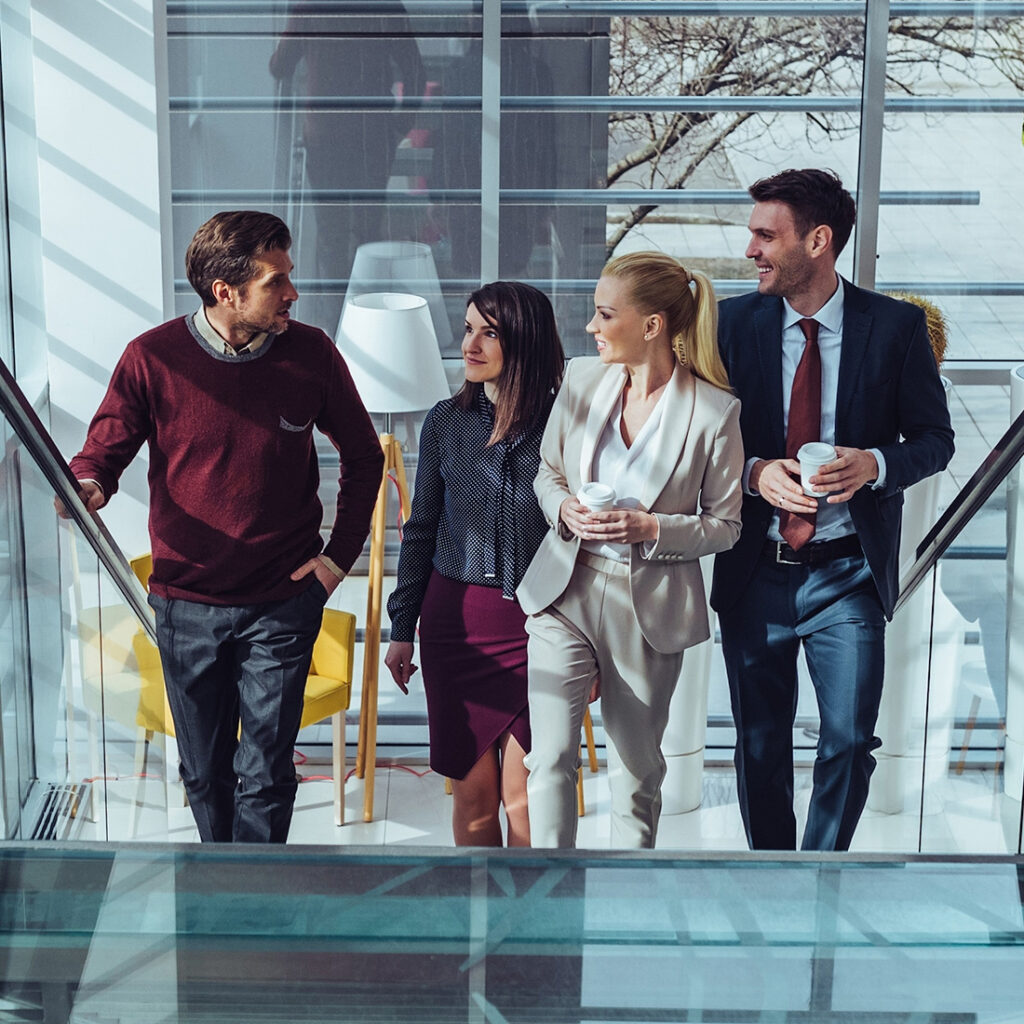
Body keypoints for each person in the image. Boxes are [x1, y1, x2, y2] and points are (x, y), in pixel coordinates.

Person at [62, 210, 384, 843]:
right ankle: (218, 887)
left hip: (282, 603)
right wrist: (89, 486)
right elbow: (103, 451)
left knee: (266, 773)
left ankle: (254, 906)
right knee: (205, 772)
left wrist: (336, 561)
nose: (293, 292)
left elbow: (365, 455)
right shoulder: (153, 358)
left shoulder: (312, 353)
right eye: (276, 281)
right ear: (226, 291)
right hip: (187, 605)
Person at [711, 168, 955, 851]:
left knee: (849, 740)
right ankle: (771, 876)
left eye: (766, 235)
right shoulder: (729, 324)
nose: (751, 250)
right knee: (759, 745)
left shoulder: (895, 328)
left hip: (846, 572)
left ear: (817, 241)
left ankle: (819, 880)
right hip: (756, 569)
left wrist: (875, 464)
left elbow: (936, 441)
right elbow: (698, 445)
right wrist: (757, 473)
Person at [517, 251, 744, 849]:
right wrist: (561, 507)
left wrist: (651, 530)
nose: (591, 327)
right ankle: (552, 901)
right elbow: (546, 472)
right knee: (551, 758)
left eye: (604, 314)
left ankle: (625, 895)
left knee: (637, 774)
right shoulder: (580, 378)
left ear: (652, 326)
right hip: (565, 587)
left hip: (646, 607)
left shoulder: (714, 414)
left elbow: (725, 526)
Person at [384, 281, 565, 846]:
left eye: (490, 333)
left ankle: (536, 932)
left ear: (525, 343)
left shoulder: (563, 425)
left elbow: (589, 546)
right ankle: (479, 931)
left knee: (528, 803)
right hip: (455, 629)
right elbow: (421, 530)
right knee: (475, 804)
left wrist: (598, 647)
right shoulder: (445, 422)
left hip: (541, 628)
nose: (471, 344)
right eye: (468, 329)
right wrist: (401, 630)